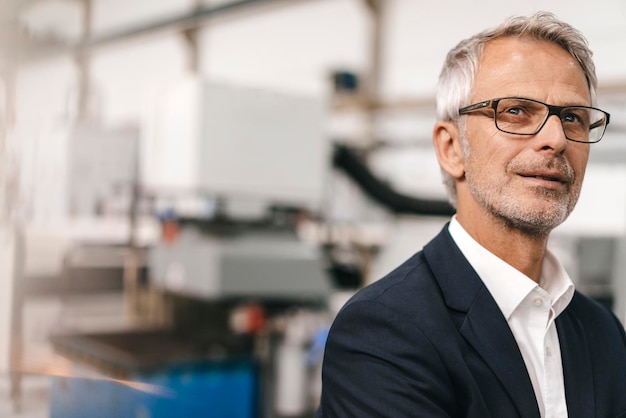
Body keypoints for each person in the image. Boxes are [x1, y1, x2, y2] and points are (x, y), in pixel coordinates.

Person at [316, 11, 626, 418]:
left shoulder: (601, 330)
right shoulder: (384, 331)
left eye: (572, 117)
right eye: (516, 111)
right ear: (451, 148)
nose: (554, 138)